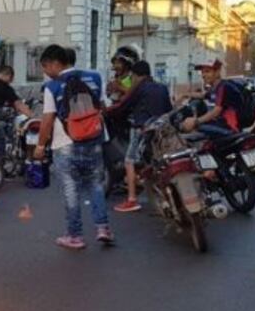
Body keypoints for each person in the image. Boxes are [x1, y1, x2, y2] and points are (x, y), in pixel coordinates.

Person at [34, 44, 112, 249]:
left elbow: (47, 119)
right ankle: (103, 228)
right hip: (94, 140)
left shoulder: (52, 86)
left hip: (66, 144)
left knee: (71, 189)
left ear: (55, 63)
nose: (45, 72)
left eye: (45, 67)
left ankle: (75, 236)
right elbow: (103, 107)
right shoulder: (95, 77)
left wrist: (40, 146)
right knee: (96, 184)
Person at [108, 60, 173, 213]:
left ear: (136, 75)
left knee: (129, 161)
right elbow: (168, 109)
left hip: (142, 129)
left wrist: (106, 111)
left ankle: (131, 199)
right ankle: (166, 197)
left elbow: (123, 106)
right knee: (158, 162)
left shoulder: (139, 87)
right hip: (162, 130)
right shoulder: (162, 87)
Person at [181, 59, 242, 137]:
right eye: (202, 72)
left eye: (207, 71)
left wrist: (196, 121)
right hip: (221, 123)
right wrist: (185, 95)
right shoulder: (215, 88)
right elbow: (203, 95)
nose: (203, 75)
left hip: (230, 127)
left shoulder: (224, 87)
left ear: (217, 72)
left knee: (194, 130)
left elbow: (216, 111)